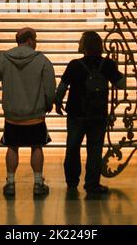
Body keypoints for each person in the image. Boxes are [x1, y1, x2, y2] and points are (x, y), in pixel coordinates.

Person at [0, 27, 56, 197]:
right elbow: (50, 89)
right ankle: (37, 183)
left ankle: (11, 183)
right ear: (29, 41)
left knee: (12, 147)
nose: (36, 42)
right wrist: (48, 104)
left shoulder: (4, 59)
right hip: (35, 116)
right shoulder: (42, 60)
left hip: (12, 117)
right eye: (35, 39)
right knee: (37, 146)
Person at [55, 31, 126, 195]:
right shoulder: (107, 64)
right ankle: (92, 184)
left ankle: (72, 181)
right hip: (98, 114)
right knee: (95, 148)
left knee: (73, 147)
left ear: (84, 46)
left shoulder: (74, 64)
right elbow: (121, 84)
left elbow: (62, 87)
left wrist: (57, 102)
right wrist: (118, 67)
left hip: (76, 114)